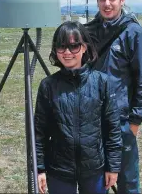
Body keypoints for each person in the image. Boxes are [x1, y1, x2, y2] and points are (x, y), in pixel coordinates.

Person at [34, 21, 122, 194]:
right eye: (62, 46)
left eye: (74, 46)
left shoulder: (102, 82)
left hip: (94, 168)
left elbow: (113, 129)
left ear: (84, 48)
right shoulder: (48, 86)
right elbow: (39, 132)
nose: (67, 52)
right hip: (59, 170)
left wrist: (113, 167)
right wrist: (39, 168)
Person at [85, 0, 142, 194]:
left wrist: (135, 122)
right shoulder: (89, 31)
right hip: (91, 118)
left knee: (127, 181)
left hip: (121, 120)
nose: (107, 4)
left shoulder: (133, 32)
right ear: (97, 1)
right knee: (94, 179)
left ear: (122, 0)